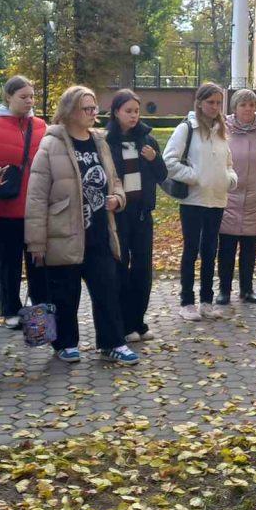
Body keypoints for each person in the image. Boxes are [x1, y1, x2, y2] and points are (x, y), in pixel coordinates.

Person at [25, 85, 137, 365]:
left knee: (107, 290)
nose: (92, 112)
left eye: (94, 107)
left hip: (99, 233)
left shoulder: (100, 142)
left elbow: (115, 180)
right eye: (86, 108)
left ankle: (113, 343)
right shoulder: (51, 144)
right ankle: (65, 344)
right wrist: (36, 241)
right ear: (70, 111)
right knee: (65, 294)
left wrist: (118, 199)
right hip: (64, 234)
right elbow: (36, 196)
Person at [163, 82, 237, 322]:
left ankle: (206, 301)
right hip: (193, 201)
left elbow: (228, 164)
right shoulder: (187, 128)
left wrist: (230, 179)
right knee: (191, 250)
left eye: (218, 103)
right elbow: (169, 161)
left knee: (210, 251)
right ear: (199, 103)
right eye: (210, 102)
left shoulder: (221, 130)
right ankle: (187, 302)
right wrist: (194, 176)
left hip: (217, 199)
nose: (215, 107)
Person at [0, 76, 46, 327]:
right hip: (3, 209)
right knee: (8, 263)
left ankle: (40, 310)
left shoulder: (41, 126)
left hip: (36, 208)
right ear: (8, 97)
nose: (29, 101)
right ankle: (9, 310)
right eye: (23, 97)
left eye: (32, 96)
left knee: (38, 262)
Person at [104, 89, 167, 342]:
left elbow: (162, 175)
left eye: (136, 111)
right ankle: (123, 324)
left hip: (142, 214)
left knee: (142, 269)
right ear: (116, 112)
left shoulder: (147, 140)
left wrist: (154, 159)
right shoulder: (106, 142)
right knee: (120, 269)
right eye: (128, 111)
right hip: (119, 214)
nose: (133, 116)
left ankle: (138, 321)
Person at [217, 89, 256, 306]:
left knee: (249, 248)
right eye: (243, 105)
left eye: (252, 105)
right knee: (226, 248)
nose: (248, 109)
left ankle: (247, 289)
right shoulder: (222, 129)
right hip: (228, 197)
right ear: (234, 108)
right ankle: (224, 290)